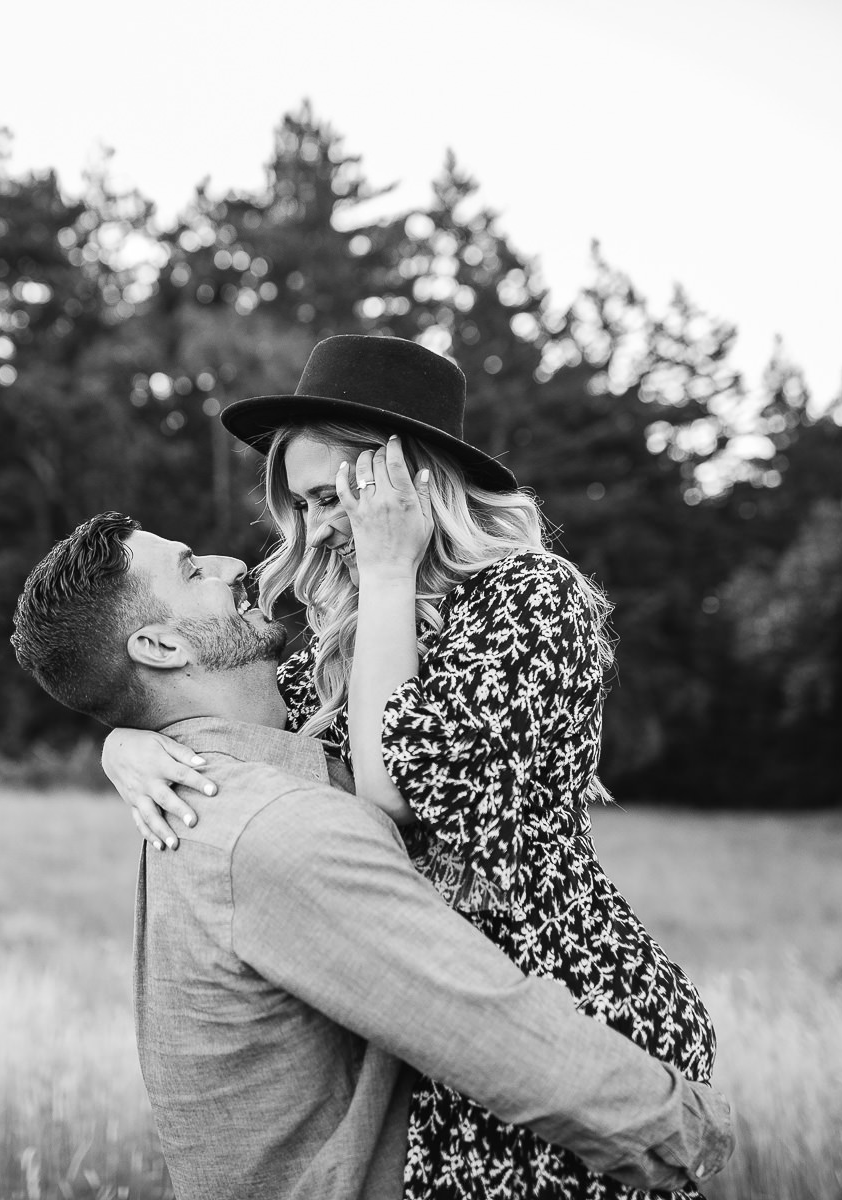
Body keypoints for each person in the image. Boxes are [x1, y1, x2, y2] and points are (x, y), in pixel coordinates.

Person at [102, 334, 720, 1200]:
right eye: (303, 504)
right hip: (430, 1049)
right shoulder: (336, 626)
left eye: (332, 497)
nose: (315, 529)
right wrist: (124, 743)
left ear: (409, 481)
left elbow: (395, 790)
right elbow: (227, 710)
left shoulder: (534, 601)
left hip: (561, 1014)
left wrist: (390, 570)